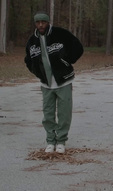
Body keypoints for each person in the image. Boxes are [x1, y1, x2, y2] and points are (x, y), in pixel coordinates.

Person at [24, 11, 84, 153]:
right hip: (46, 84)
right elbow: (28, 60)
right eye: (38, 22)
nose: (40, 25)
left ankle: (61, 141)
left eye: (43, 22)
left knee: (64, 113)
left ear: (48, 22)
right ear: (35, 24)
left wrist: (67, 60)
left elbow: (78, 47)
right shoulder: (32, 41)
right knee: (48, 113)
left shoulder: (60, 34)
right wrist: (38, 73)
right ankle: (50, 141)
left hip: (63, 81)